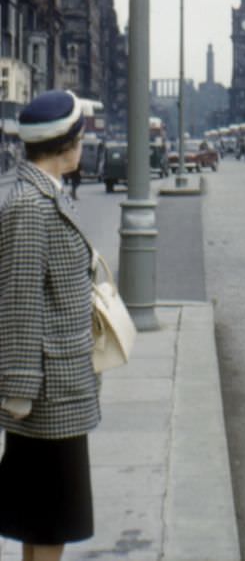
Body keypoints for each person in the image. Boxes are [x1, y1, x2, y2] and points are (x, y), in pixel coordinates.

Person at [0, 90, 100, 560]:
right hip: (45, 395)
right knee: (50, 523)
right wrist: (18, 387)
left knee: (41, 523)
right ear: (69, 143)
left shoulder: (42, 194)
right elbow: (19, 299)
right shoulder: (30, 205)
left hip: (57, 386)